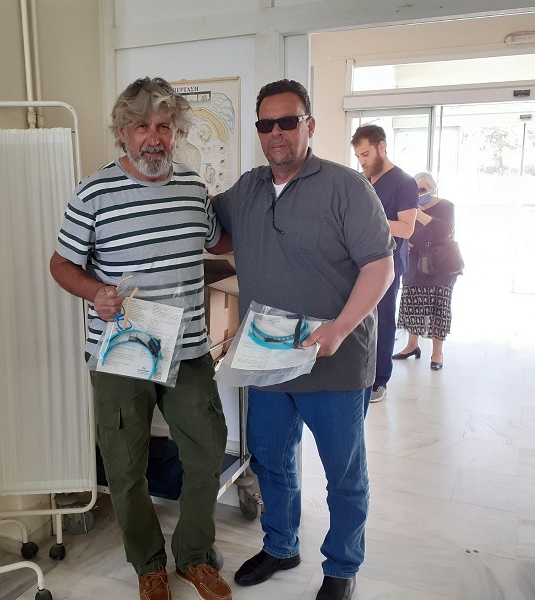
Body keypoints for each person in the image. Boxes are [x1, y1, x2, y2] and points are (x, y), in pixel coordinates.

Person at [49, 76, 233, 600]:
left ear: (177, 132)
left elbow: (218, 240)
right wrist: (96, 293)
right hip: (123, 351)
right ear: (122, 133)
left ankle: (194, 556)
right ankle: (149, 566)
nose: (154, 138)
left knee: (205, 454)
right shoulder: (94, 191)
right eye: (142, 127)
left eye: (164, 126)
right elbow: (61, 264)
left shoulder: (194, 188)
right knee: (126, 467)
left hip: (189, 349)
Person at [212, 79, 394, 600]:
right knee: (272, 460)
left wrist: (339, 328)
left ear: (309, 126)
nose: (277, 133)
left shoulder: (345, 187)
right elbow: (214, 233)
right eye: (266, 124)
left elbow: (379, 266)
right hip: (267, 359)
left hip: (332, 360)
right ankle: (281, 545)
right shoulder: (247, 190)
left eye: (288, 121)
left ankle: (342, 566)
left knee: (344, 473)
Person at [350, 125, 418, 406]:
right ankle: (359, 373)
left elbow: (407, 228)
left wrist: (369, 221)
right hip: (358, 263)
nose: (362, 161)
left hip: (387, 266)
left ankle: (380, 380)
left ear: (382, 146)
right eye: (358, 156)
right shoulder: (362, 180)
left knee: (383, 322)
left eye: (366, 154)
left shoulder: (404, 182)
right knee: (358, 320)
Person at [393, 171, 460, 370]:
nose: (419, 194)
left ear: (433, 189)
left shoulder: (446, 206)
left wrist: (420, 215)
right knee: (413, 304)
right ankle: (412, 345)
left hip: (440, 264)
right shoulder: (408, 208)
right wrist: (405, 242)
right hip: (415, 262)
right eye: (415, 190)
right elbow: (402, 229)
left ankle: (437, 352)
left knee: (439, 308)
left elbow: (446, 231)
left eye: (423, 189)